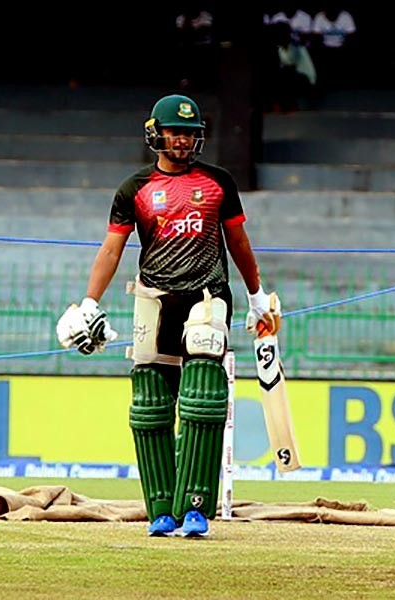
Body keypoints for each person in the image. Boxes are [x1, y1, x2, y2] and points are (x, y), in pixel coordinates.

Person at [56, 94, 281, 538]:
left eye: (190, 132)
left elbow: (238, 242)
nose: (182, 139)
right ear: (155, 134)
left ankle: (196, 509)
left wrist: (256, 296)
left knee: (202, 399)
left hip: (206, 293)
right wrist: (89, 302)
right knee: (151, 406)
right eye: (175, 132)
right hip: (154, 298)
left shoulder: (218, 183)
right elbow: (112, 248)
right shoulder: (133, 189)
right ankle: (160, 511)